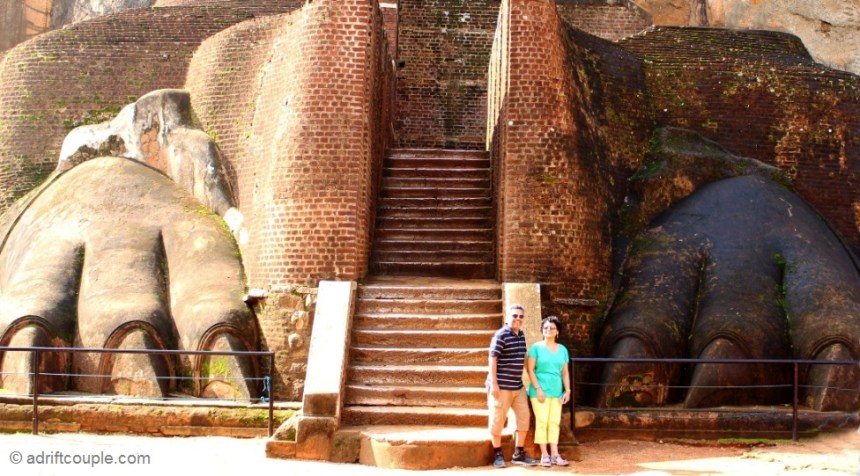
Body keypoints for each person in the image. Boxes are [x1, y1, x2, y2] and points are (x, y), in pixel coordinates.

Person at [487, 304, 538, 468]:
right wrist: (494, 383)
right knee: (498, 420)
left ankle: (519, 453)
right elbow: (492, 359)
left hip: (518, 386)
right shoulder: (501, 335)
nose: (518, 319)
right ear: (508, 317)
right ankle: (497, 454)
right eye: (515, 315)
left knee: (524, 418)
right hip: (501, 386)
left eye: (521, 316)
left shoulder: (521, 335)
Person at [526, 315, 571, 467]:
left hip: (557, 391)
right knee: (542, 421)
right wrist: (538, 389)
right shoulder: (536, 348)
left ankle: (555, 454)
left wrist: (568, 390)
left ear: (557, 331)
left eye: (552, 328)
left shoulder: (563, 349)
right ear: (542, 330)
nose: (548, 330)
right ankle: (544, 455)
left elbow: (565, 372)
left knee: (554, 422)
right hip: (539, 392)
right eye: (545, 328)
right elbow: (530, 370)